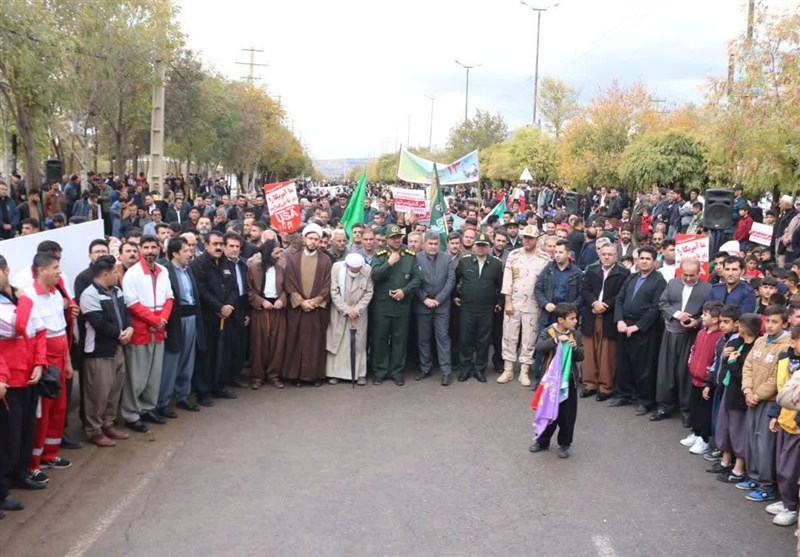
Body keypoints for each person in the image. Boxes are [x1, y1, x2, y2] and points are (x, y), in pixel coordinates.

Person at [22, 252, 74, 482]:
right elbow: (32, 336)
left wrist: (68, 362)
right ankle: (33, 463)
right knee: (41, 414)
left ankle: (50, 453)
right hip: (44, 362)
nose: (59, 272)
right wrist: (40, 365)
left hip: (60, 358)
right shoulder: (30, 296)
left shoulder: (55, 295)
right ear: (41, 270)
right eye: (55, 267)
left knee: (59, 408)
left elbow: (61, 331)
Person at [0, 255, 46, 513]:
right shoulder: (23, 299)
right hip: (10, 380)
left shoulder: (19, 298)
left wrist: (39, 362)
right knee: (8, 437)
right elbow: (19, 326)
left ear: (6, 270)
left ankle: (20, 474)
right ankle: (3, 487)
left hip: (29, 374)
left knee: (26, 431)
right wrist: (26, 298)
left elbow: (38, 330)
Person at [120, 235, 174, 433]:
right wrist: (154, 321)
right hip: (141, 331)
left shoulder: (163, 271)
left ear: (159, 249)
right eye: (146, 247)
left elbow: (169, 298)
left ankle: (148, 408)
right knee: (137, 376)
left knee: (154, 375)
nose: (150, 250)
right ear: (141, 250)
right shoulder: (132, 274)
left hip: (158, 330)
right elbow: (132, 304)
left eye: (153, 247)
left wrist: (162, 321)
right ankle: (131, 414)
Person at [79, 255, 133, 447]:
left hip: (117, 348)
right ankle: (94, 429)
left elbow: (126, 313)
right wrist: (120, 334)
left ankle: (108, 423)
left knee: (114, 389)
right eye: (115, 272)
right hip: (99, 352)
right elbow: (98, 322)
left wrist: (130, 329)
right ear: (105, 274)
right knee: (98, 393)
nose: (118, 275)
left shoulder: (117, 290)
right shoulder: (89, 294)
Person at [739, 304, 791, 502]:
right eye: (767, 321)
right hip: (751, 397)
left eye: (774, 322)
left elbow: (778, 377)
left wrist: (757, 395)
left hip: (767, 402)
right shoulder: (760, 341)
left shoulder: (785, 347)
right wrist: (747, 390)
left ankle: (767, 485)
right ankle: (753, 476)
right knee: (751, 440)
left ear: (784, 324)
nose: (769, 325)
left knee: (764, 444)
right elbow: (748, 366)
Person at [651, 259, 713, 425]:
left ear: (699, 272)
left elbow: (708, 313)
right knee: (666, 371)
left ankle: (686, 410)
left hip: (690, 335)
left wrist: (697, 322)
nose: (687, 278)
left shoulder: (707, 288)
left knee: (685, 373)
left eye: (691, 275)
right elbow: (662, 303)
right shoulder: (672, 284)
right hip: (670, 333)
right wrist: (677, 314)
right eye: (684, 274)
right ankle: (664, 406)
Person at [609, 246, 667, 415]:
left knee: (645, 367)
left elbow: (656, 308)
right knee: (624, 363)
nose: (644, 261)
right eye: (641, 258)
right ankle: (624, 394)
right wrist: (619, 320)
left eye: (648, 259)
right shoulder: (631, 277)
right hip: (624, 325)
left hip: (644, 329)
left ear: (655, 261)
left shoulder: (659, 281)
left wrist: (638, 326)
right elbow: (620, 299)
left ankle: (645, 400)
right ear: (637, 260)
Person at [529, 302, 584, 459]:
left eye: (576, 318)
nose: (575, 321)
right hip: (551, 382)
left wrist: (575, 348)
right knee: (548, 412)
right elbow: (539, 347)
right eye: (572, 318)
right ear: (561, 320)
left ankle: (564, 444)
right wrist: (556, 341)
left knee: (567, 416)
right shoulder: (548, 331)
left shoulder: (576, 334)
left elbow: (581, 356)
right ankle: (542, 440)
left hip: (569, 381)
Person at [157, 238, 204, 416]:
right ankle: (163, 402)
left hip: (191, 317)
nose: (190, 252)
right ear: (175, 253)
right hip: (175, 319)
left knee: (187, 359)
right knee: (171, 361)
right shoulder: (165, 271)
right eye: (186, 250)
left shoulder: (188, 269)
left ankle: (183, 395)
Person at [190, 230, 238, 405]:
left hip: (227, 316)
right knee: (207, 355)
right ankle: (204, 391)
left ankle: (220, 386)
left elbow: (234, 288)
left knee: (223, 353)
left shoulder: (227, 263)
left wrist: (230, 306)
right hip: (208, 317)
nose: (218, 247)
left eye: (220, 244)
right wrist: (219, 307)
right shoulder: (198, 264)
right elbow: (201, 290)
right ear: (206, 245)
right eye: (215, 244)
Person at [370, 224, 421, 386]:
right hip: (382, 306)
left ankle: (397, 372)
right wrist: (389, 263)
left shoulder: (410, 256)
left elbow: (417, 279)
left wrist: (404, 291)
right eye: (393, 238)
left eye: (398, 237)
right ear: (386, 239)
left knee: (400, 340)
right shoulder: (380, 255)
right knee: (380, 339)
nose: (396, 240)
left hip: (402, 305)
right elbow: (375, 275)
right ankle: (380, 371)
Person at [283, 223, 332, 387]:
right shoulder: (293, 259)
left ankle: (314, 376)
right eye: (310, 238)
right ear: (304, 239)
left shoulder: (326, 260)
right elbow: (289, 283)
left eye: (316, 239)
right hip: (298, 308)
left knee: (315, 342)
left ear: (320, 242)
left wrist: (315, 301)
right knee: (296, 341)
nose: (313, 242)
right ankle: (296, 376)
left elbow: (327, 285)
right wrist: (301, 302)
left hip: (316, 309)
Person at [709, 311, 755, 484]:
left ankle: (738, 468)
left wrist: (732, 362)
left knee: (738, 431)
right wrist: (726, 356)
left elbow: (742, 376)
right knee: (725, 427)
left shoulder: (753, 348)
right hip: (728, 389)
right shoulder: (736, 342)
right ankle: (726, 461)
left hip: (740, 394)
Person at [499, 224, 546, 387]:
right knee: (509, 335)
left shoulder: (545, 259)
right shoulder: (513, 255)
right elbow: (507, 280)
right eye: (525, 237)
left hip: (533, 305)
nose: (527, 240)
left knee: (529, 338)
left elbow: (545, 284)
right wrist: (507, 301)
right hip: (514, 303)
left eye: (530, 238)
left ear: (536, 239)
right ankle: (508, 369)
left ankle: (524, 371)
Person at [580, 243, 628, 401]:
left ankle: (605, 387)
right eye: (604, 254)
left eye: (610, 254)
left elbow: (622, 295)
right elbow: (585, 290)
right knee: (589, 352)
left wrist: (604, 306)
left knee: (607, 354)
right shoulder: (591, 270)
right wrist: (594, 303)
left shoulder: (623, 273)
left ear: (616, 256)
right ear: (599, 255)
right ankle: (589, 384)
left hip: (609, 317)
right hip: (591, 314)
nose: (606, 257)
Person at [454, 232, 503, 383]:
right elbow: (455, 279)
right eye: (478, 245)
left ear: (489, 247)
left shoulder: (496, 264)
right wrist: (454, 296)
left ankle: (480, 369)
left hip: (486, 308)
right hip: (467, 307)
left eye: (484, 245)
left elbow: (501, 285)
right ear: (474, 246)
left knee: (483, 340)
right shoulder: (465, 262)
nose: (481, 248)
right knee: (465, 339)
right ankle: (465, 369)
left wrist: (499, 302)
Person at [681, 301, 724, 455]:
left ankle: (704, 438)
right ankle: (696, 432)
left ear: (715, 319)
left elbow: (716, 360)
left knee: (705, 411)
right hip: (695, 377)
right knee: (695, 407)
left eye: (705, 315)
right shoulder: (700, 333)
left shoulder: (720, 337)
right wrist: (691, 363)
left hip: (706, 381)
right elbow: (694, 350)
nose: (702, 317)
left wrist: (709, 376)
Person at [413, 232, 456, 386]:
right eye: (430, 244)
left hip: (441, 306)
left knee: (443, 338)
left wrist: (437, 300)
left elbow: (451, 281)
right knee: (423, 339)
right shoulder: (417, 258)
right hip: (422, 304)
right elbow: (415, 281)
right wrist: (424, 298)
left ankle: (446, 371)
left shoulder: (447, 258)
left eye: (435, 244)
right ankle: (425, 368)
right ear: (424, 244)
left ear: (440, 244)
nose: (433, 247)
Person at [768, 330, 800, 526]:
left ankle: (791, 507)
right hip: (785, 421)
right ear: (793, 341)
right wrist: (775, 414)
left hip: (797, 427)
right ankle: (787, 500)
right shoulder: (787, 360)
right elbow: (782, 389)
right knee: (782, 466)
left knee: (790, 470)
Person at [326, 253, 373, 385]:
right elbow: (334, 291)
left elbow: (369, 292)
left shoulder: (367, 270)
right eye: (353, 268)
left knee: (359, 342)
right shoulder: (337, 269)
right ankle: (334, 373)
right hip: (340, 311)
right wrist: (346, 309)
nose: (355, 271)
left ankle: (359, 373)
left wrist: (357, 309)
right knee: (338, 341)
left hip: (359, 313)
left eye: (358, 268)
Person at [246, 239, 286, 390]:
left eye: (279, 252)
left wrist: (282, 300)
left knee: (277, 344)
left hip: (277, 309)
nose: (278, 255)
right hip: (260, 309)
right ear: (268, 253)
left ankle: (274, 375)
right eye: (276, 252)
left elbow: (285, 290)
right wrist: (261, 301)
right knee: (258, 344)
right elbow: (249, 291)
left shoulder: (281, 269)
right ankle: (257, 376)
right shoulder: (253, 268)